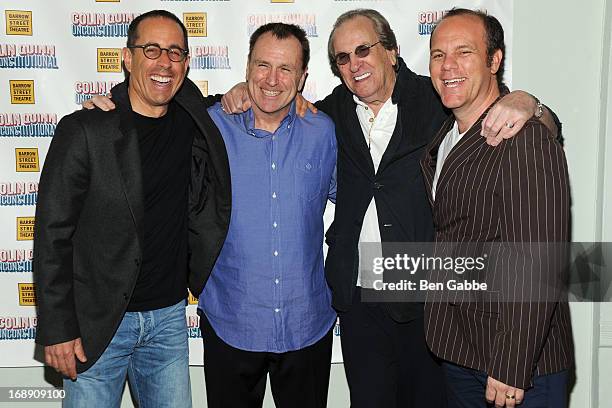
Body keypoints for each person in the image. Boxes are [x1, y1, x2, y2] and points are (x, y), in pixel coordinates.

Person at [220, 8, 561, 408]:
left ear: (393, 52)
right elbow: (272, 103)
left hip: (427, 296)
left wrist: (532, 104)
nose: (354, 65)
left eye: (363, 50)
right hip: (359, 297)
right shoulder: (329, 114)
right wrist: (239, 93)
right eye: (342, 58)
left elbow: (516, 121)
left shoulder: (439, 99)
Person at [33, 10, 230, 407]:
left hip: (168, 322)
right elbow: (52, 235)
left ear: (187, 63)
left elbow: (226, 102)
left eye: (175, 53)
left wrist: (245, 93)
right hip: (97, 326)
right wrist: (57, 329)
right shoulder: (86, 129)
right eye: (151, 49)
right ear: (127, 57)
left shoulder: (192, 118)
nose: (164, 63)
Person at [420, 8, 573, 408]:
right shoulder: (445, 136)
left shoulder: (525, 140)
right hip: (460, 350)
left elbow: (537, 262)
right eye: (438, 54)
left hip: (519, 367)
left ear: (494, 60)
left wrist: (511, 364)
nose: (448, 65)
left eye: (464, 52)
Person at [197, 23, 337, 408]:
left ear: (303, 76)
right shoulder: (211, 127)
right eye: (262, 66)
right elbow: (158, 102)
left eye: (286, 69)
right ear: (247, 68)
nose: (272, 80)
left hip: (306, 323)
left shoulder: (323, 131)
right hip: (231, 321)